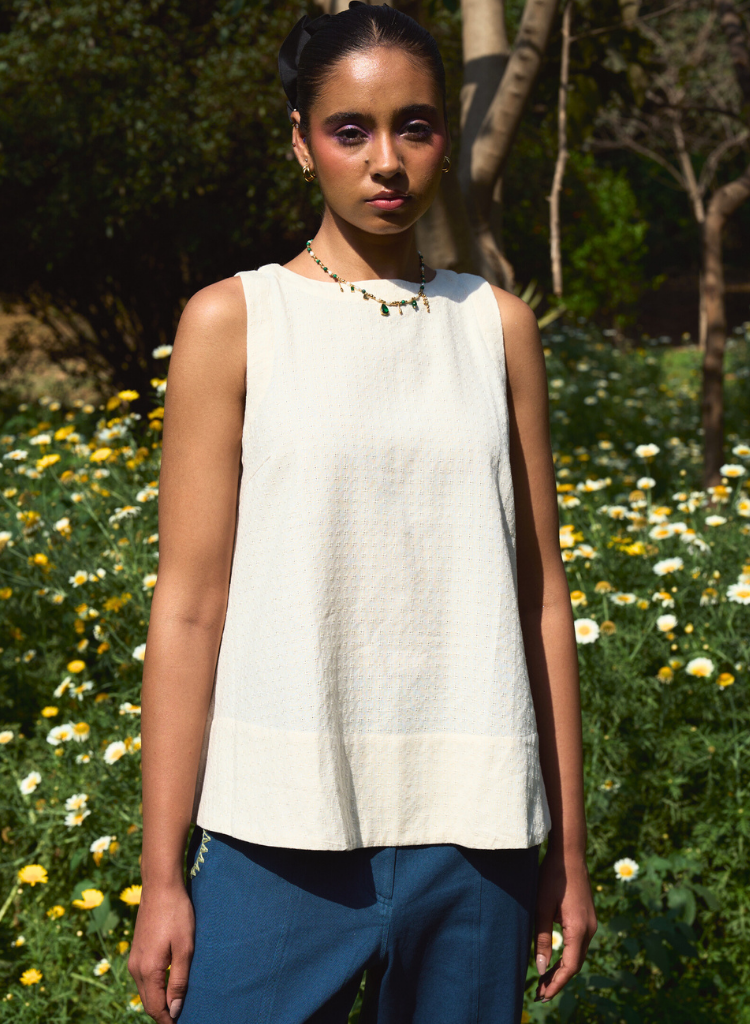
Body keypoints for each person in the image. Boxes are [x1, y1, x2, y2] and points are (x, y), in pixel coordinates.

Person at [128, 4, 597, 1022]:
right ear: (302, 142)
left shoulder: (496, 327)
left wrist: (569, 848)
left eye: (414, 126)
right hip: (277, 830)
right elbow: (191, 606)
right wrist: (161, 872)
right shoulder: (234, 320)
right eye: (351, 130)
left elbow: (541, 603)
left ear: (445, 138)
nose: (387, 161)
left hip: (476, 838)